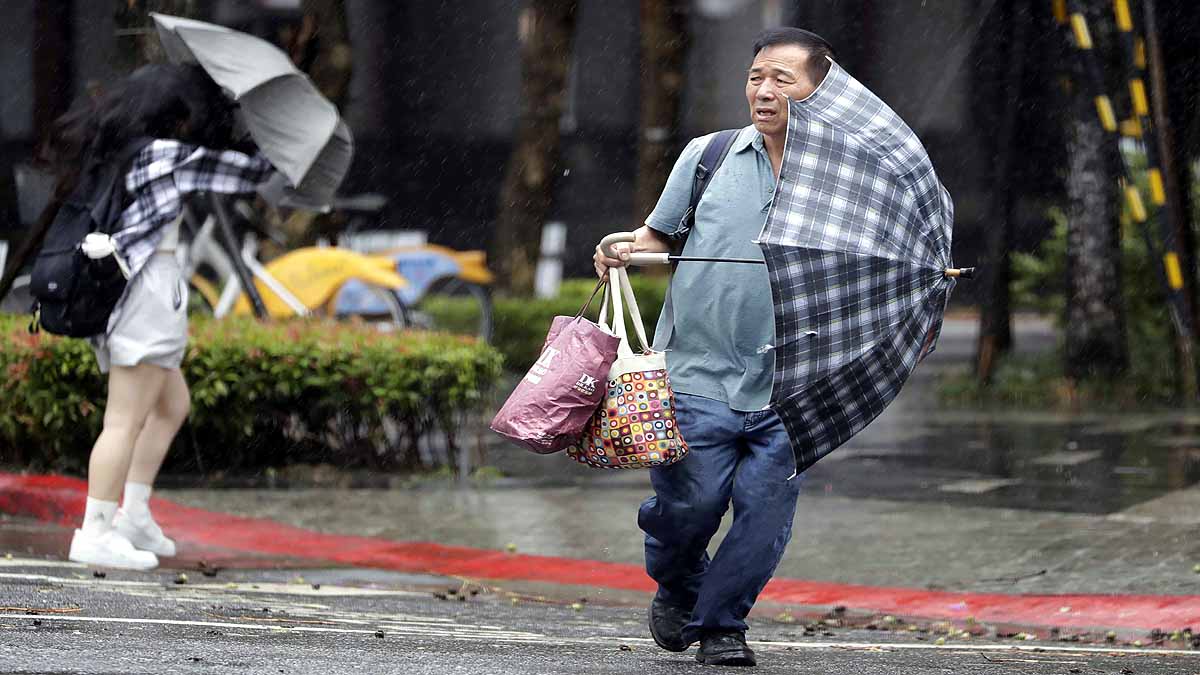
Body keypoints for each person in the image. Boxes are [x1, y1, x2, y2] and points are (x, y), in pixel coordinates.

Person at [593, 28, 835, 667]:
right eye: (757, 77)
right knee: (690, 506)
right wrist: (621, 248)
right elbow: (657, 237)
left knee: (763, 515)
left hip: (792, 381)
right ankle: (678, 584)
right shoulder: (709, 155)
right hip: (696, 373)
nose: (764, 90)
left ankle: (723, 626)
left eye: (782, 79)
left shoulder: (838, 181)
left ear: (820, 91)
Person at [43, 63, 274, 570]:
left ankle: (133, 515)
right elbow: (249, 174)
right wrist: (271, 136)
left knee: (172, 404)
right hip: (144, 293)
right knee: (123, 421)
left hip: (133, 290)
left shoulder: (120, 149)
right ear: (175, 116)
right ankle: (95, 531)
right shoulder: (163, 155)